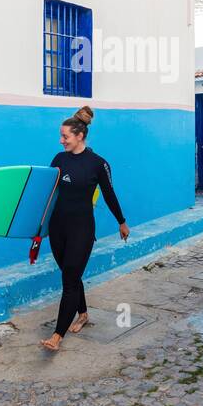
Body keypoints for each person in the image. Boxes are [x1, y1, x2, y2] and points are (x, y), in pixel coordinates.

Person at [40, 106, 129, 352]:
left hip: (82, 229)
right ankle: (83, 313)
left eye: (65, 136)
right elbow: (48, 193)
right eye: (61, 136)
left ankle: (57, 336)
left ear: (80, 136)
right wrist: (38, 228)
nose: (61, 140)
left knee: (69, 279)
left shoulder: (98, 164)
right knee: (70, 274)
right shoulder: (59, 159)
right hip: (58, 228)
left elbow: (110, 194)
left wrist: (121, 221)